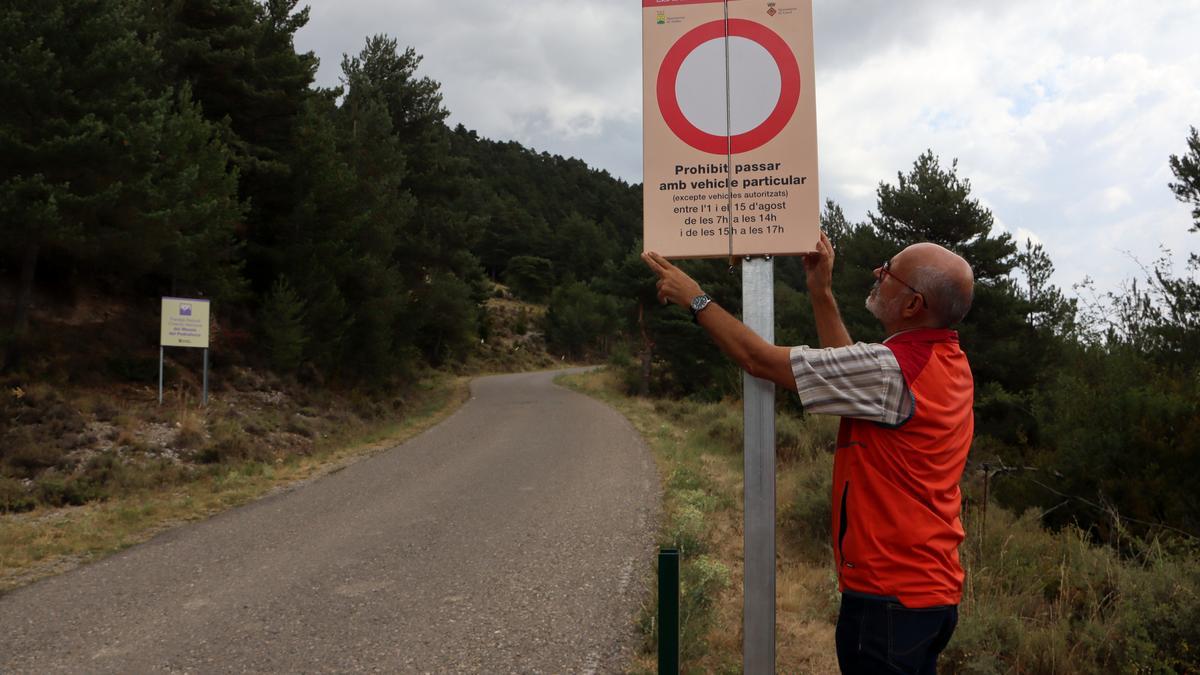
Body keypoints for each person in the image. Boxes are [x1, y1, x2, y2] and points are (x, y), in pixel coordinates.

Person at [642, 232, 975, 675]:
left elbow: (759, 360)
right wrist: (821, 292)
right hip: (926, 594)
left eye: (890, 272)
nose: (878, 272)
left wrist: (696, 299)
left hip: (889, 597)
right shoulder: (944, 361)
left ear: (914, 305)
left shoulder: (894, 370)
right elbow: (851, 371)